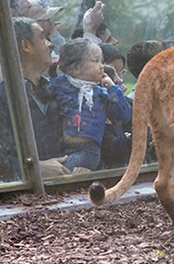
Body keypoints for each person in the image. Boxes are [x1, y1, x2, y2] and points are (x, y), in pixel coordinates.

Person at [0, 17, 77, 180]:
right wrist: (34, 168)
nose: (50, 44)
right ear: (26, 46)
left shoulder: (59, 91)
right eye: (43, 38)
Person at [49, 38, 131, 171]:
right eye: (95, 61)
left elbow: (124, 115)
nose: (101, 66)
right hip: (61, 144)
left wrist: (113, 88)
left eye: (101, 61)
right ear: (75, 68)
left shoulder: (101, 94)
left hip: (88, 148)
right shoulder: (60, 84)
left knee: (80, 163)